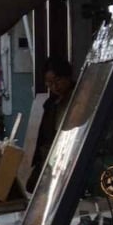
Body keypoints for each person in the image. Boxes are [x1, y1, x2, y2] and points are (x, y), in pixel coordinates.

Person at [28, 58, 75, 189]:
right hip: (50, 157)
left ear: (68, 77)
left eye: (58, 81)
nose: (54, 87)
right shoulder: (51, 103)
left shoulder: (78, 99)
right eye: (49, 82)